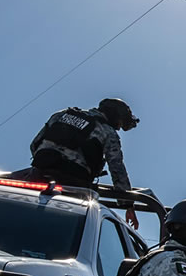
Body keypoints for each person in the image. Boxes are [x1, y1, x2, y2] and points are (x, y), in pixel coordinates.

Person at [22, 98, 141, 228]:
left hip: (37, 174)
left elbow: (35, 144)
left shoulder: (62, 115)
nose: (118, 126)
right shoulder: (107, 131)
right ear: (115, 116)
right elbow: (117, 168)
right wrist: (127, 204)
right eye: (120, 122)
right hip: (74, 185)